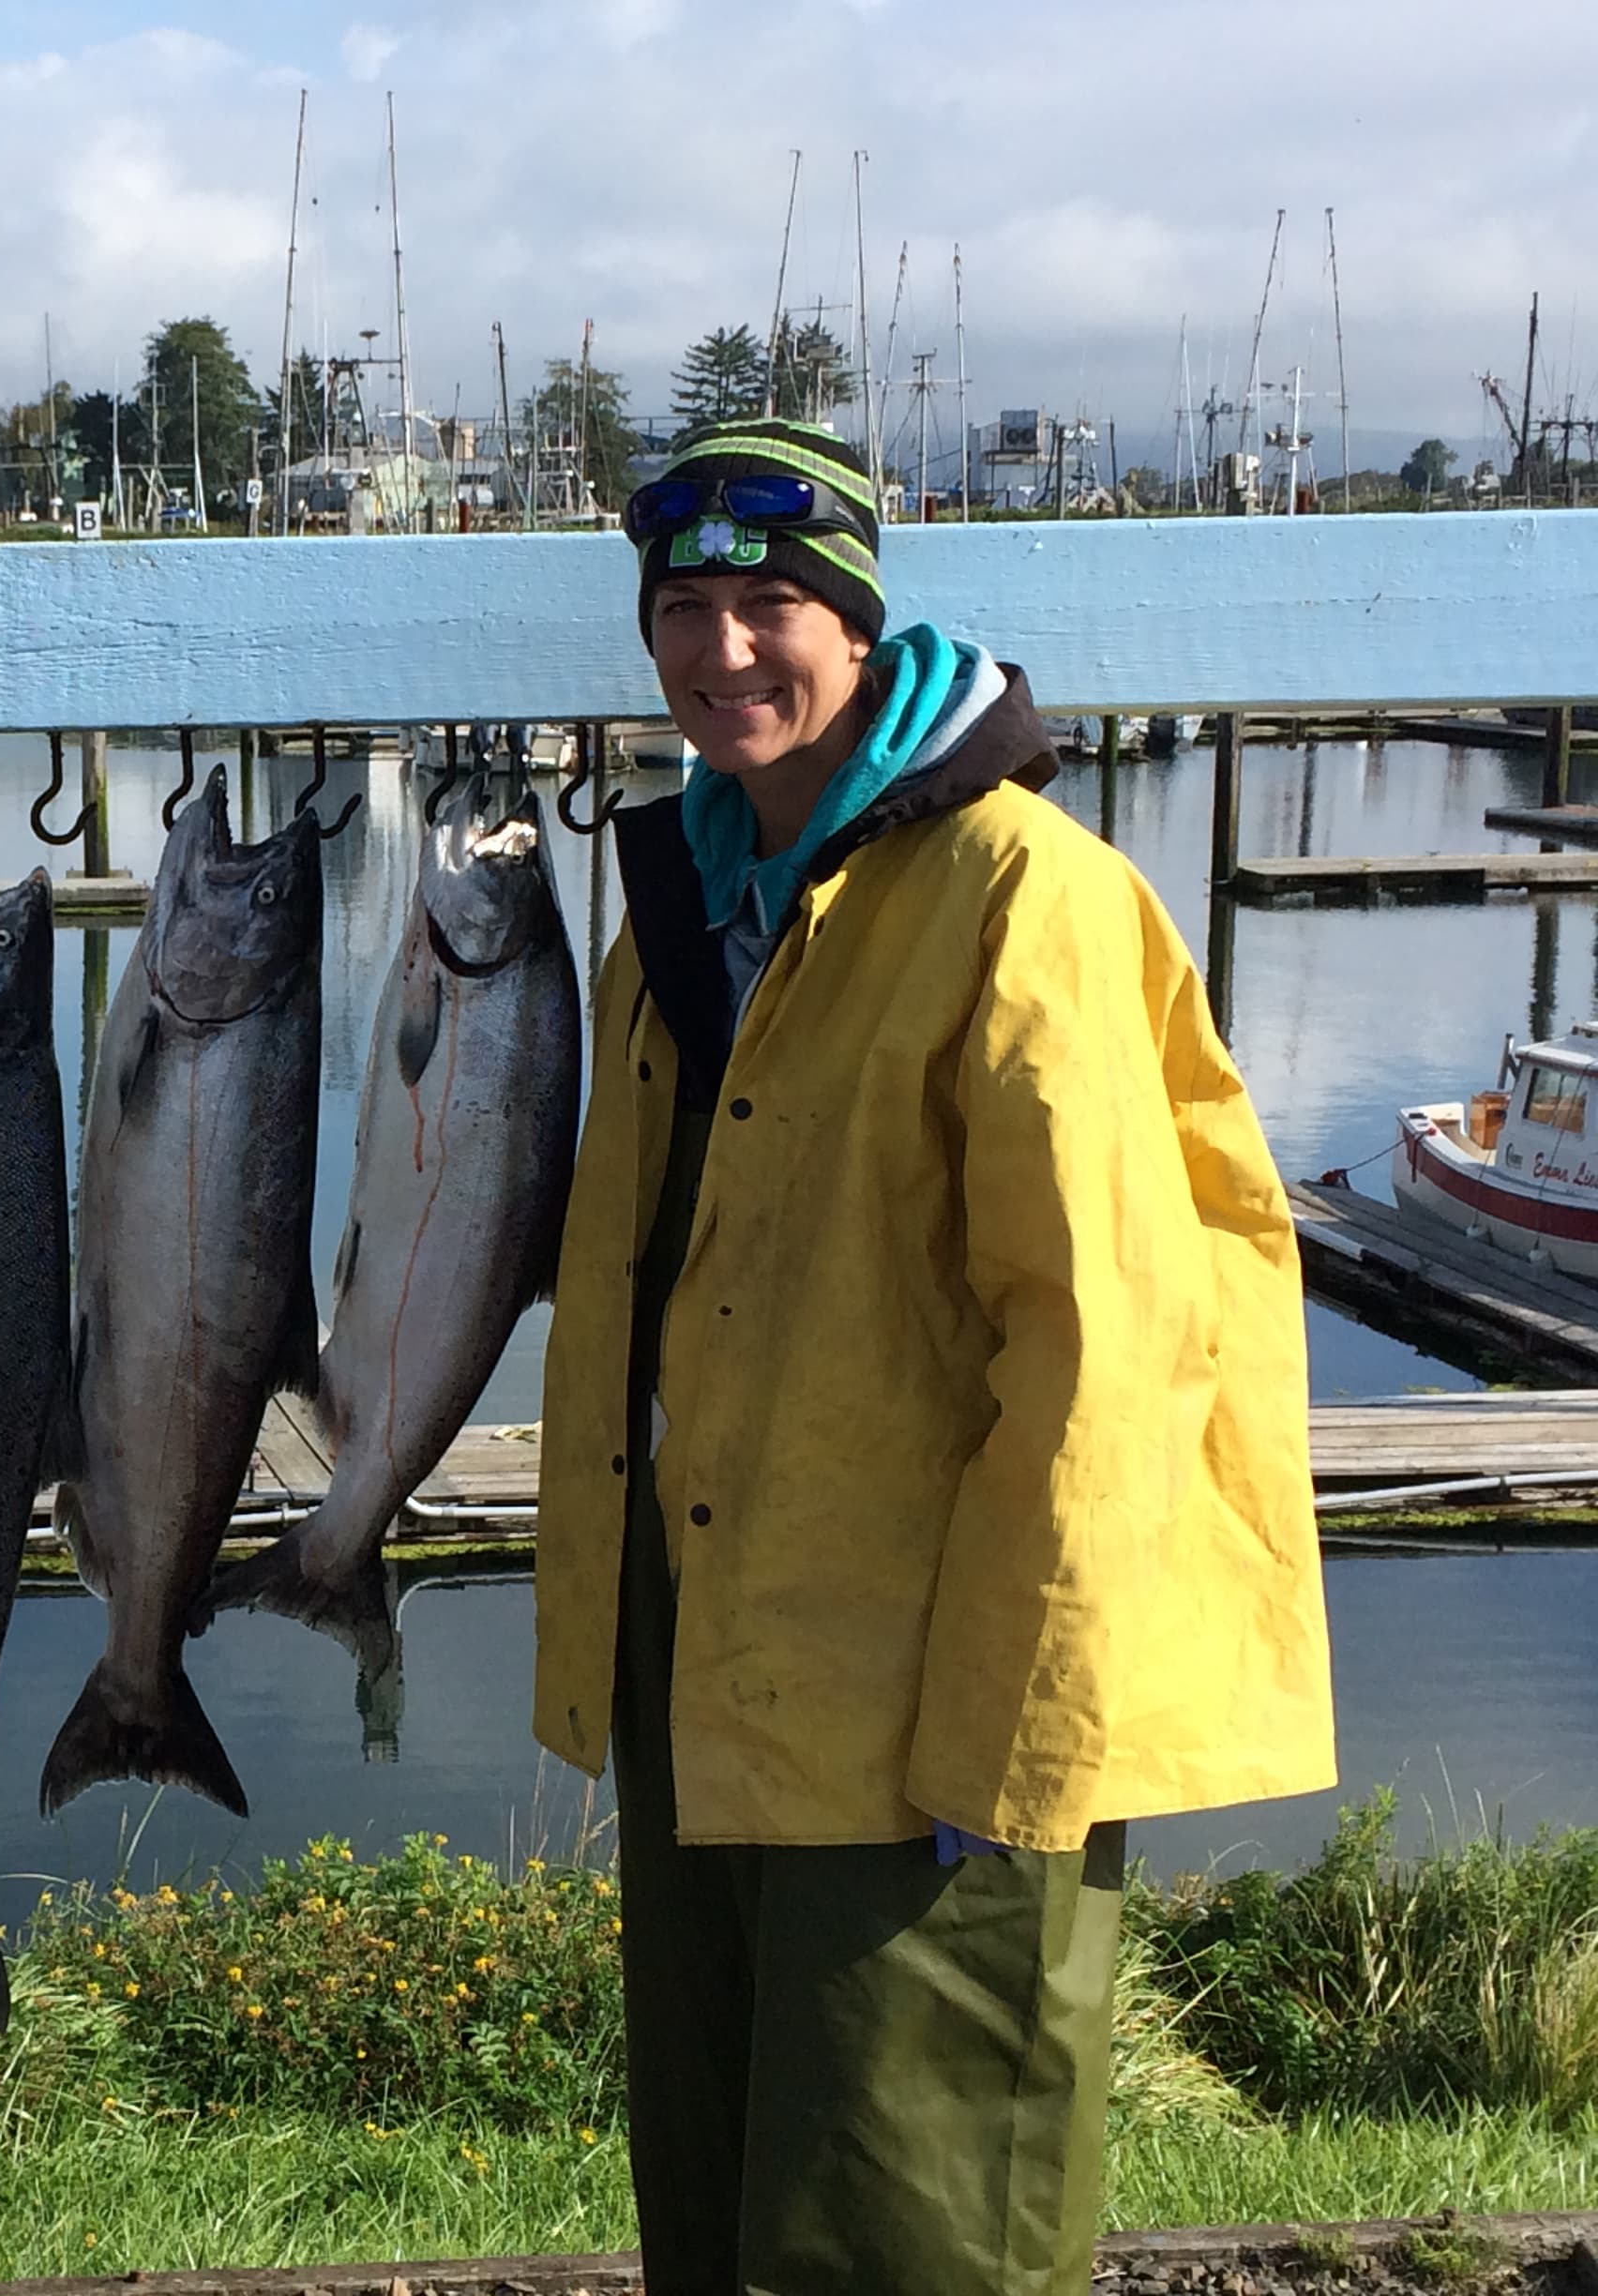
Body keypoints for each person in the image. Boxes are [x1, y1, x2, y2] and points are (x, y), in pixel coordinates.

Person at [529, 417, 1335, 2293]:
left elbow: (1112, 1351)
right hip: (721, 1673)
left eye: (773, 606)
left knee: (914, 2232)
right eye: (685, 610)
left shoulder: (1020, 893)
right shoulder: (688, 908)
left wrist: (1018, 1734)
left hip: (937, 1715)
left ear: (865, 627)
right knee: (727, 2217)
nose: (723, 653)